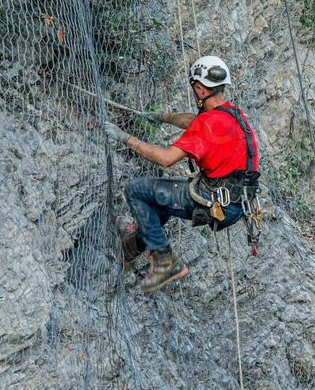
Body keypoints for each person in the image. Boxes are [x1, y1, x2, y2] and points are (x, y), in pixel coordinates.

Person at [105, 55, 260, 293]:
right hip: (238, 202)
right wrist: (163, 118)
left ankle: (165, 261)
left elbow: (166, 159)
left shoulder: (207, 124)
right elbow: (194, 120)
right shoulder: (234, 115)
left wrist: (126, 138)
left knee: (136, 190)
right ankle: (131, 247)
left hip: (215, 201)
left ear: (199, 89)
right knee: (163, 200)